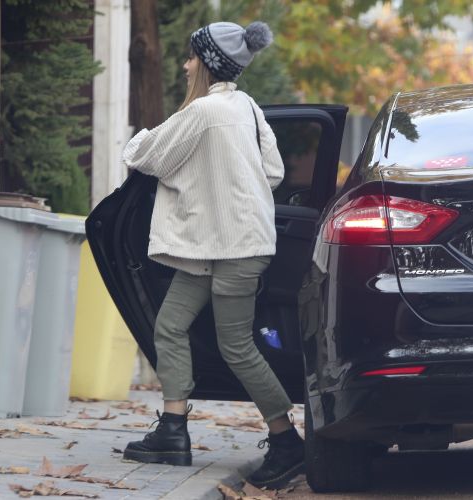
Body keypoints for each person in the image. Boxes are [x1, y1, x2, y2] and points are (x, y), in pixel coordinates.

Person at [119, 21, 304, 490]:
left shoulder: (203, 112)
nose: (184, 65)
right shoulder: (248, 107)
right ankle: (173, 431)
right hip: (221, 244)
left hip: (232, 247)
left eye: (190, 57)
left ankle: (287, 442)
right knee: (170, 326)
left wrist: (157, 148)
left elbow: (145, 155)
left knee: (236, 345)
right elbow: (275, 172)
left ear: (206, 63)